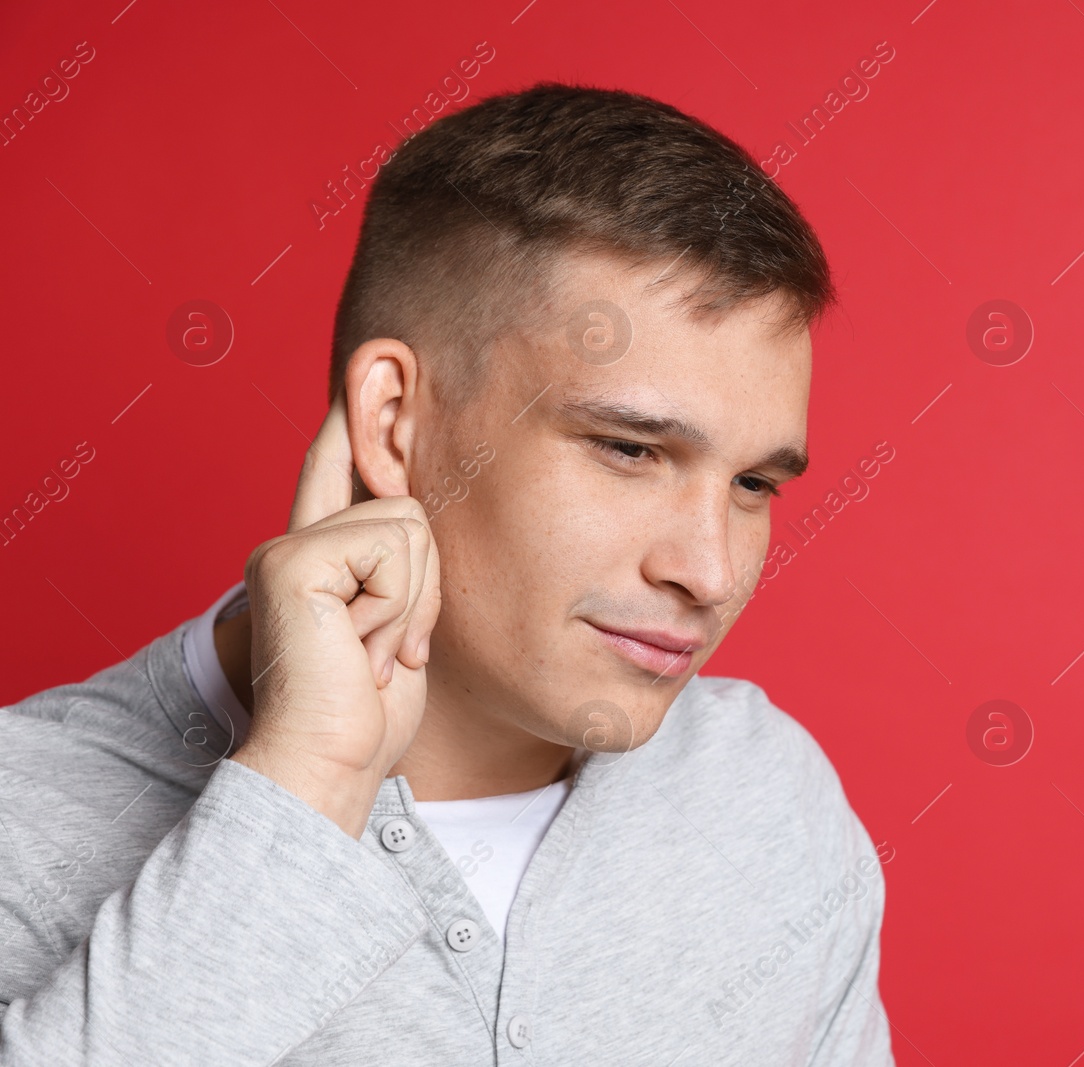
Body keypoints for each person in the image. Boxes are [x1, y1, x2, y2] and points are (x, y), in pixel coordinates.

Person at [0, 82, 892, 1065]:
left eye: (756, 481)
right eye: (630, 449)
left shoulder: (766, 798)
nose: (711, 570)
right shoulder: (27, 827)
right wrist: (310, 781)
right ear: (394, 422)